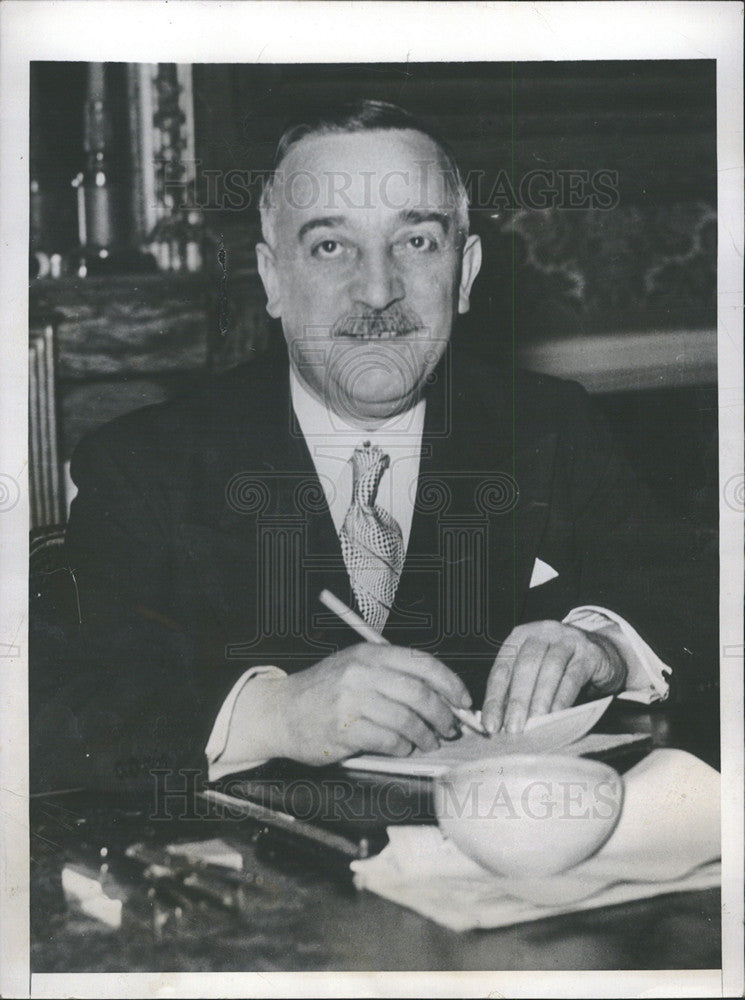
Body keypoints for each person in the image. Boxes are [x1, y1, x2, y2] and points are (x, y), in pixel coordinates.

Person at [31, 100, 715, 792]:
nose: (379, 290)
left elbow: (701, 605)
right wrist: (270, 713)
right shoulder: (148, 465)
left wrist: (604, 644)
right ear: (272, 279)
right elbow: (51, 706)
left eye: (415, 242)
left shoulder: (551, 428)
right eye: (331, 246)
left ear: (466, 271)